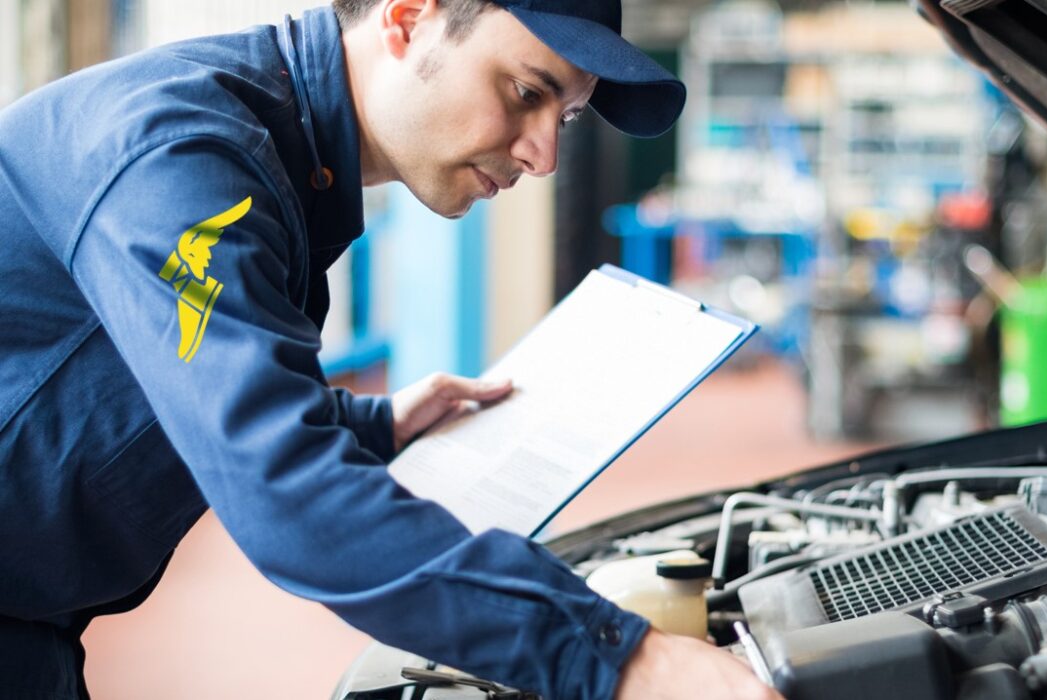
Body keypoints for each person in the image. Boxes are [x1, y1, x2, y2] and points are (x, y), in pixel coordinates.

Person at [0, 1, 784, 698]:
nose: (543, 155)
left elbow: (128, 382)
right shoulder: (185, 157)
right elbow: (287, 498)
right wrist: (626, 663)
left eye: (565, 117)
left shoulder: (289, 164)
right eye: (525, 91)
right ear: (409, 21)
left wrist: (368, 425)